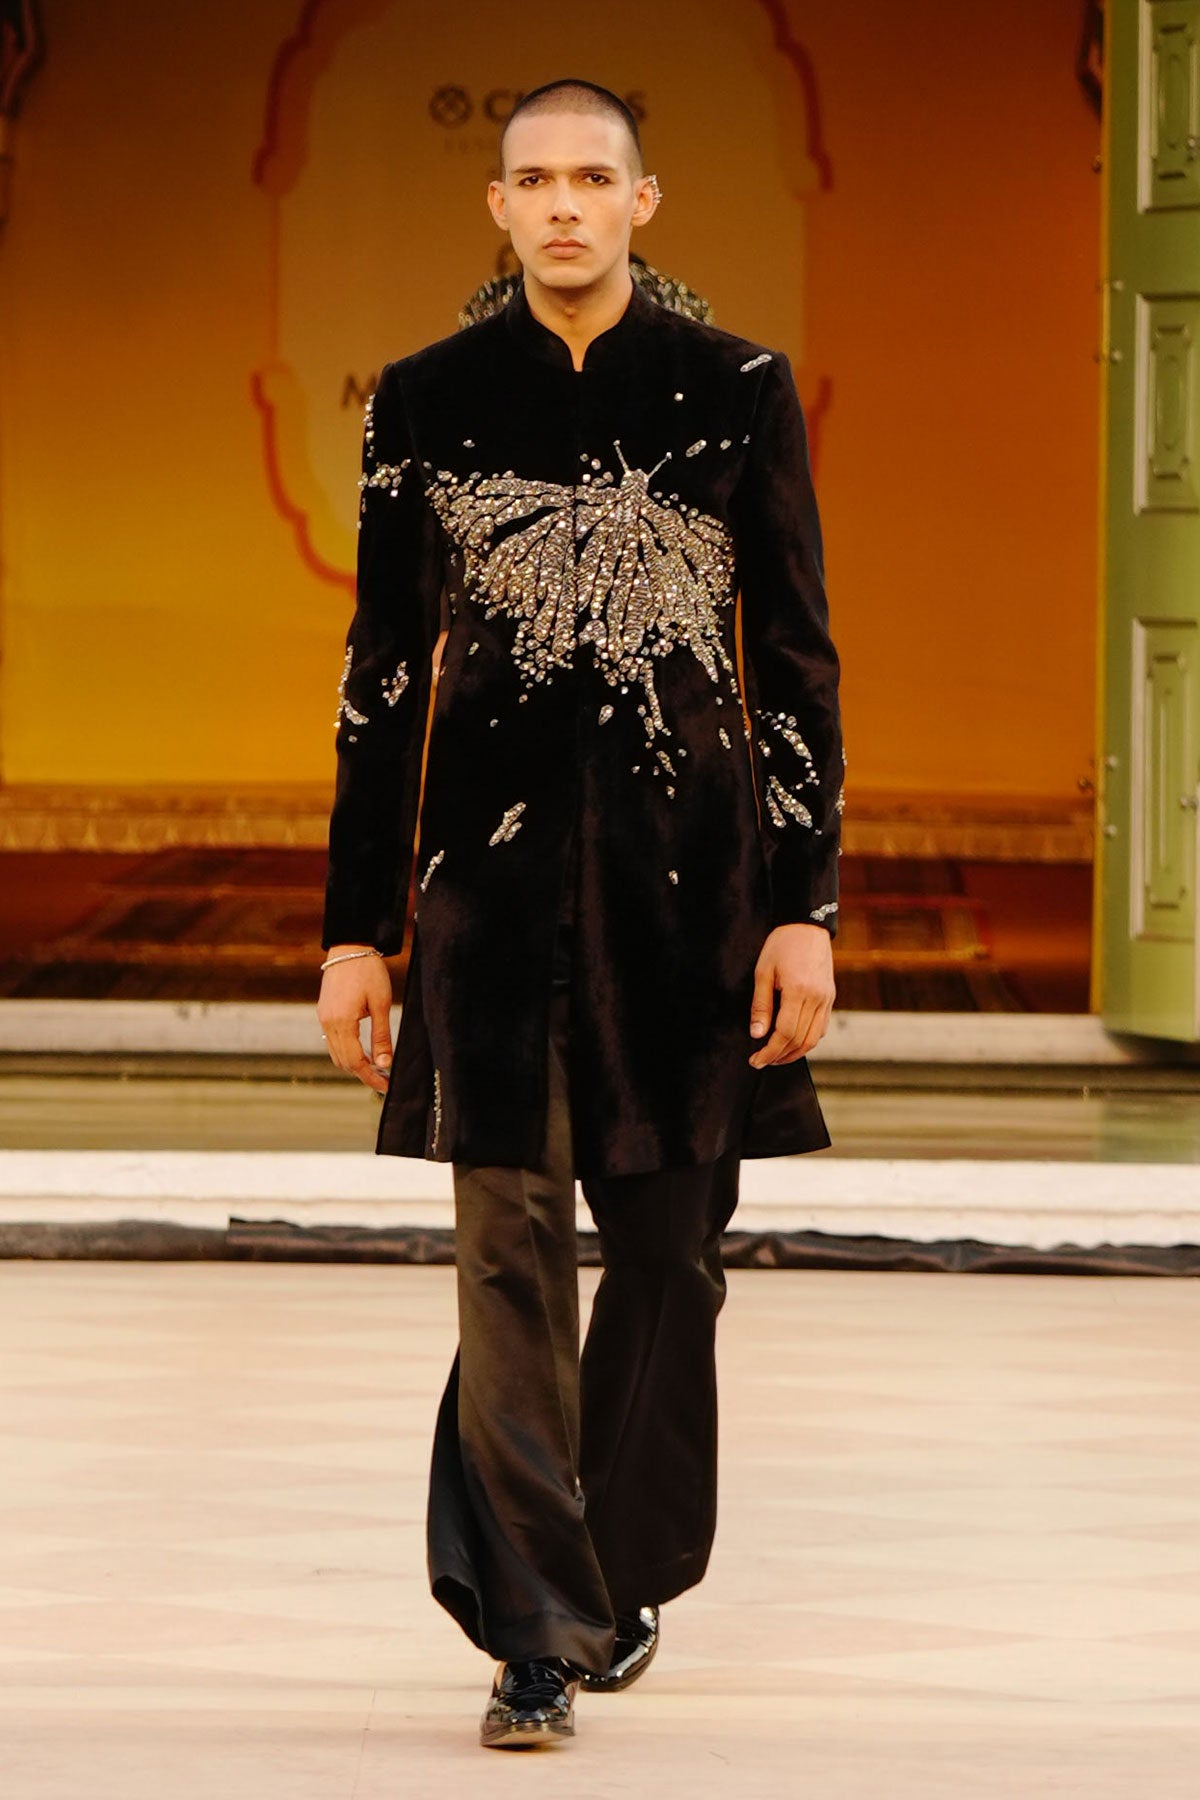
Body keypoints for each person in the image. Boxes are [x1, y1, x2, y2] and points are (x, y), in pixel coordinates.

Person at [317, 76, 844, 1752]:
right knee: (507, 1253)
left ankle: (610, 1565)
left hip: (693, 899)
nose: (562, 204)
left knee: (671, 1253)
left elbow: (796, 661)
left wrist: (807, 906)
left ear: (641, 199)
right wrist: (355, 930)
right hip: (485, 900)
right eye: (533, 179)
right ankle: (535, 1632)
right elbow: (381, 679)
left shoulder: (737, 390)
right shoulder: (428, 401)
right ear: (497, 205)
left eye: (591, 178)